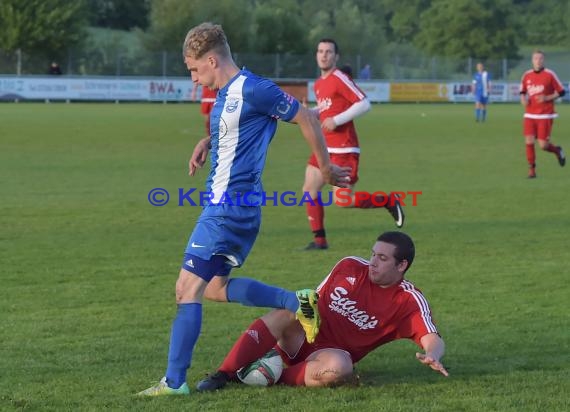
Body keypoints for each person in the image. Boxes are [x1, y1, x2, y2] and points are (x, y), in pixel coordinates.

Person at [137, 23, 351, 397]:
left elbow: (307, 117)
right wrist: (208, 141)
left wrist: (326, 167)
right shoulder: (226, 93)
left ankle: (174, 383)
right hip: (234, 207)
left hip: (228, 208)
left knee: (186, 289)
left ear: (211, 59)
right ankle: (294, 300)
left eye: (193, 69)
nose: (193, 78)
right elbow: (240, 129)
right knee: (216, 288)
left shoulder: (253, 88)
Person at [196, 231, 448, 390]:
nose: (372, 262)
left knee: (340, 367)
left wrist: (433, 355)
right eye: (373, 254)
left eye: (382, 258)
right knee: (287, 310)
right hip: (301, 336)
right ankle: (223, 374)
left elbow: (432, 338)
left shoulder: (408, 300)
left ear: (402, 265)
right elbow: (310, 303)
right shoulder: (349, 266)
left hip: (328, 357)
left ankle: (274, 377)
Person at [303, 39, 404, 250]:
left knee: (343, 200)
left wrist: (337, 120)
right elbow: (327, 110)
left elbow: (364, 104)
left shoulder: (339, 78)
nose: (324, 55)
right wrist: (310, 112)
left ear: (336, 57)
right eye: (320, 51)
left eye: (329, 52)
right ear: (316, 55)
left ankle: (387, 200)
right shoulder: (320, 83)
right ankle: (319, 241)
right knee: (309, 190)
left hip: (344, 148)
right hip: (324, 146)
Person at [520, 50, 566, 179]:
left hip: (545, 115)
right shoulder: (527, 75)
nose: (538, 61)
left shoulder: (550, 74)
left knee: (543, 145)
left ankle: (557, 151)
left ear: (543, 60)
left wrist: (548, 98)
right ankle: (532, 170)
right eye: (535, 58)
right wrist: (523, 98)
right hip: (529, 114)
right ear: (532, 60)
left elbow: (562, 92)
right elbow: (522, 91)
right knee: (528, 141)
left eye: (540, 58)